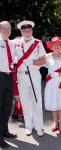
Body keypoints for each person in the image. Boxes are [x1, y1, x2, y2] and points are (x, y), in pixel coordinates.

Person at [13, 20, 46, 137]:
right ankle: (29, 126)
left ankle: (39, 126)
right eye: (25, 31)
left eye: (29, 30)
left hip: (34, 74)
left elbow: (43, 60)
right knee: (25, 102)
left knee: (37, 101)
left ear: (32, 31)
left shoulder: (37, 43)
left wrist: (31, 62)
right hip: (21, 75)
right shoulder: (16, 42)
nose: (27, 32)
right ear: (21, 31)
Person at [44, 36, 61, 134]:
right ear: (51, 46)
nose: (56, 46)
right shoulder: (47, 57)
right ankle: (55, 123)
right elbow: (39, 65)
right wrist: (58, 73)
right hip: (51, 83)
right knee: (53, 103)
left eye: (58, 44)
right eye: (54, 45)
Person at [0, 21, 17, 149]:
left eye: (8, 28)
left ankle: (5, 131)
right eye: (3, 28)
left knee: (7, 107)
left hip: (9, 76)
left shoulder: (11, 44)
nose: (6, 30)